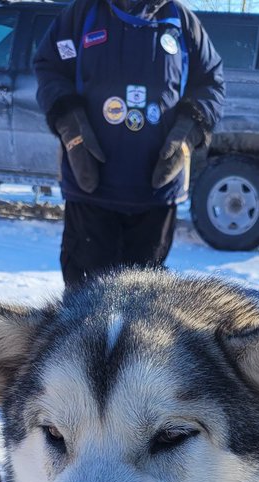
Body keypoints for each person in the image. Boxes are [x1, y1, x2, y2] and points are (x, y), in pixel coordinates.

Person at [34, 0, 225, 288]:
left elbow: (210, 83)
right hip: (91, 190)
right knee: (83, 309)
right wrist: (72, 128)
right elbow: (50, 69)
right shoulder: (83, 14)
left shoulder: (179, 21)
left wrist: (187, 133)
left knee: (140, 312)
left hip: (155, 193)